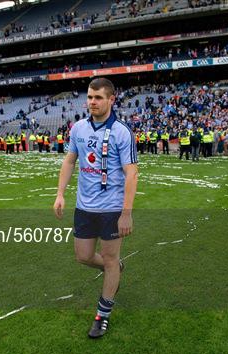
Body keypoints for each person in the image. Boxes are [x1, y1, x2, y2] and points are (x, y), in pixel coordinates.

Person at [53, 78, 138, 339]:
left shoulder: (122, 131)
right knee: (84, 256)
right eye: (90, 97)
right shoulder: (78, 128)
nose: (92, 102)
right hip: (84, 206)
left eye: (98, 97)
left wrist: (126, 213)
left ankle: (102, 315)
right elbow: (69, 161)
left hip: (112, 209)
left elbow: (131, 173)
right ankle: (114, 269)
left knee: (110, 258)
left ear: (111, 100)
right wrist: (60, 194)